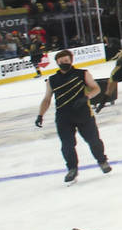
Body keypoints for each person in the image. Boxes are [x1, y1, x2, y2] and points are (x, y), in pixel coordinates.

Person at [35, 48, 111, 183]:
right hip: (63, 117)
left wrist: (86, 97)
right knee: (67, 145)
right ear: (57, 62)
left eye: (66, 60)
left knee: (93, 140)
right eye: (61, 61)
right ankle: (72, 169)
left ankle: (102, 161)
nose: (64, 62)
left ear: (71, 61)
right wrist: (40, 115)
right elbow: (47, 99)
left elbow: (96, 88)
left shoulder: (82, 74)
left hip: (83, 114)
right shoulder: (52, 80)